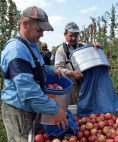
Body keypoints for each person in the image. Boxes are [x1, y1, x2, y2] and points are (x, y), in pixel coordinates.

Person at [1, 6, 68, 142]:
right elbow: (28, 90)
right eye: (39, 30)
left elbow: (37, 68)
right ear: (25, 24)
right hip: (18, 111)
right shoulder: (16, 50)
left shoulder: (30, 46)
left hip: (29, 108)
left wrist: (52, 70)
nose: (42, 35)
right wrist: (55, 110)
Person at [55, 22, 101, 105]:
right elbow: (58, 68)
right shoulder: (61, 50)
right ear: (65, 34)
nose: (73, 38)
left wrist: (96, 47)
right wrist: (71, 73)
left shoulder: (84, 46)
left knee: (88, 106)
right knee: (74, 107)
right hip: (72, 86)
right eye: (71, 35)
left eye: (75, 36)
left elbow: (95, 56)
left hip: (86, 83)